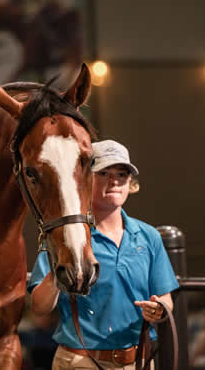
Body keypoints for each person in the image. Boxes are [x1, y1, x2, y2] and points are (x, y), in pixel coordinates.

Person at [28, 139, 179, 370]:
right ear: (83, 181)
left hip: (139, 362)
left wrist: (158, 309)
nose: (115, 181)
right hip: (81, 362)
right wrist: (59, 266)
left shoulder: (148, 236)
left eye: (122, 174)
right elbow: (39, 307)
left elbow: (166, 299)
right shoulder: (65, 235)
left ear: (131, 182)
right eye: (104, 173)